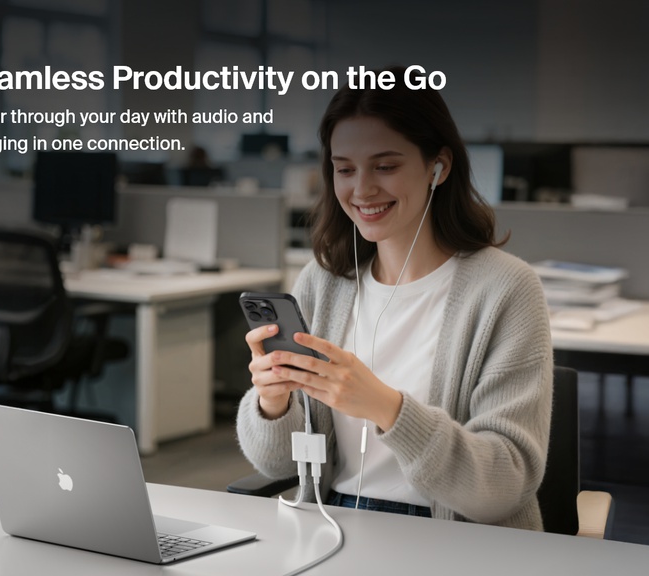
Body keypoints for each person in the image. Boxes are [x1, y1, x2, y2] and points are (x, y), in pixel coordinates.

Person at [236, 65, 553, 530]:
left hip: (456, 539)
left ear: (438, 167)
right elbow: (279, 466)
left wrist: (387, 407)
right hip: (332, 524)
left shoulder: (506, 289)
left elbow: (504, 486)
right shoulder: (323, 282)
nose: (362, 189)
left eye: (385, 166)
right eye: (345, 169)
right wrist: (272, 403)